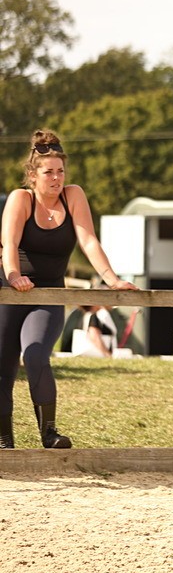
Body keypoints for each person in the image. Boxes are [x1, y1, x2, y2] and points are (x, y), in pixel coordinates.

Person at [0, 130, 137, 449]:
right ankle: (4, 440)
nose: (56, 178)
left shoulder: (73, 195)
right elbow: (9, 244)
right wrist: (13, 275)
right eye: (49, 172)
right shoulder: (21, 199)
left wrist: (112, 280)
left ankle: (49, 433)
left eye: (61, 171)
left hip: (49, 293)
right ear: (33, 175)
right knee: (3, 366)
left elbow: (88, 240)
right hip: (9, 287)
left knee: (35, 355)